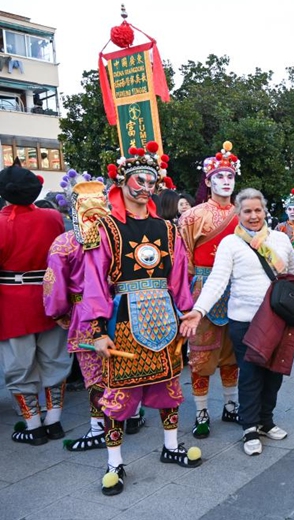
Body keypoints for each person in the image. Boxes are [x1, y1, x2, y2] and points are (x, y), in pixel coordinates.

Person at [80, 143, 201, 496]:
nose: (146, 186)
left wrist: (187, 311)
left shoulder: (168, 229)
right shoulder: (106, 228)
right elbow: (95, 281)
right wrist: (99, 330)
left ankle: (171, 444)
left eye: (151, 180)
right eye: (139, 179)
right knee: (119, 391)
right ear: (122, 180)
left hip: (163, 318)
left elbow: (178, 276)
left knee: (170, 384)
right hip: (123, 320)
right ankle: (114, 461)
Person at [180, 188, 294, 455]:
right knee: (249, 375)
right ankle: (249, 427)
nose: (253, 216)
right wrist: (199, 310)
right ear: (239, 214)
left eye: (257, 210)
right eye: (247, 211)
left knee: (274, 375)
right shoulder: (231, 244)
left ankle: (266, 421)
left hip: (280, 321)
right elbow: (217, 281)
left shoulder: (281, 239)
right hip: (244, 321)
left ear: (264, 211)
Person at [47, 172, 145, 451]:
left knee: (95, 374)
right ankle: (133, 415)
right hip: (124, 307)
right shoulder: (122, 235)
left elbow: (55, 288)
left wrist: (59, 313)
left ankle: (98, 428)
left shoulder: (64, 243)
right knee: (127, 365)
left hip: (85, 312)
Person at [0, 158, 69, 446]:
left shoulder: (2, 223)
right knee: (55, 359)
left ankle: (32, 424)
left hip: (11, 301)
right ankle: (54, 422)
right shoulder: (52, 217)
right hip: (49, 295)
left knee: (19, 364)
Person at [177, 142, 241, 440]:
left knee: (233, 353)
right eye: (220, 177)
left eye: (230, 176)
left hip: (238, 290)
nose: (225, 182)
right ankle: (202, 411)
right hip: (203, 288)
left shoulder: (245, 214)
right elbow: (183, 258)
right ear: (208, 180)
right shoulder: (192, 216)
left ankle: (231, 404)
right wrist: (185, 297)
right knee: (201, 356)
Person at [275, 188, 294, 263]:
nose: (292, 212)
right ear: (286, 211)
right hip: (285, 260)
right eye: (290, 209)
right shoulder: (280, 227)